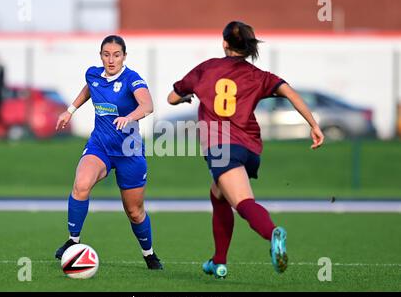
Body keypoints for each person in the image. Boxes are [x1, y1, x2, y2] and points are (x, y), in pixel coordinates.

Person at [167, 21, 324, 278]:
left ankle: (272, 233)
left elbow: (172, 98)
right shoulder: (258, 76)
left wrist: (186, 96)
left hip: (222, 148)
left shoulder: (207, 68)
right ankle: (218, 261)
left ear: (224, 43)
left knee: (242, 203)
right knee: (218, 195)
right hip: (249, 148)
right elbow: (291, 93)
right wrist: (314, 124)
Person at [55, 35, 163, 270]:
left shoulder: (132, 79)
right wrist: (70, 110)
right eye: (106, 54)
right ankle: (73, 242)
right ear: (100, 55)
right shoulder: (93, 75)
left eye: (116, 55)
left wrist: (129, 117)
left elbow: (147, 105)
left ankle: (149, 254)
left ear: (124, 56)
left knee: (134, 212)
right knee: (81, 183)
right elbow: (89, 89)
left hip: (129, 152)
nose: (111, 59)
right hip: (100, 146)